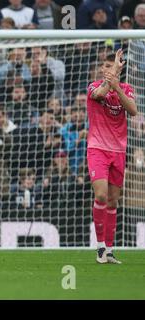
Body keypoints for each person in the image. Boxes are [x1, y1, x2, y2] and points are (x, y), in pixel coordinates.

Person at [87, 49, 137, 264]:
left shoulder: (126, 88)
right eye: (105, 66)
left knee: (114, 201)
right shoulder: (93, 87)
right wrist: (111, 79)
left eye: (110, 66)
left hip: (118, 151)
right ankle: (99, 248)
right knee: (100, 196)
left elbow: (133, 110)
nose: (105, 69)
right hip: (97, 148)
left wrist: (117, 85)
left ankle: (109, 249)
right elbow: (99, 95)